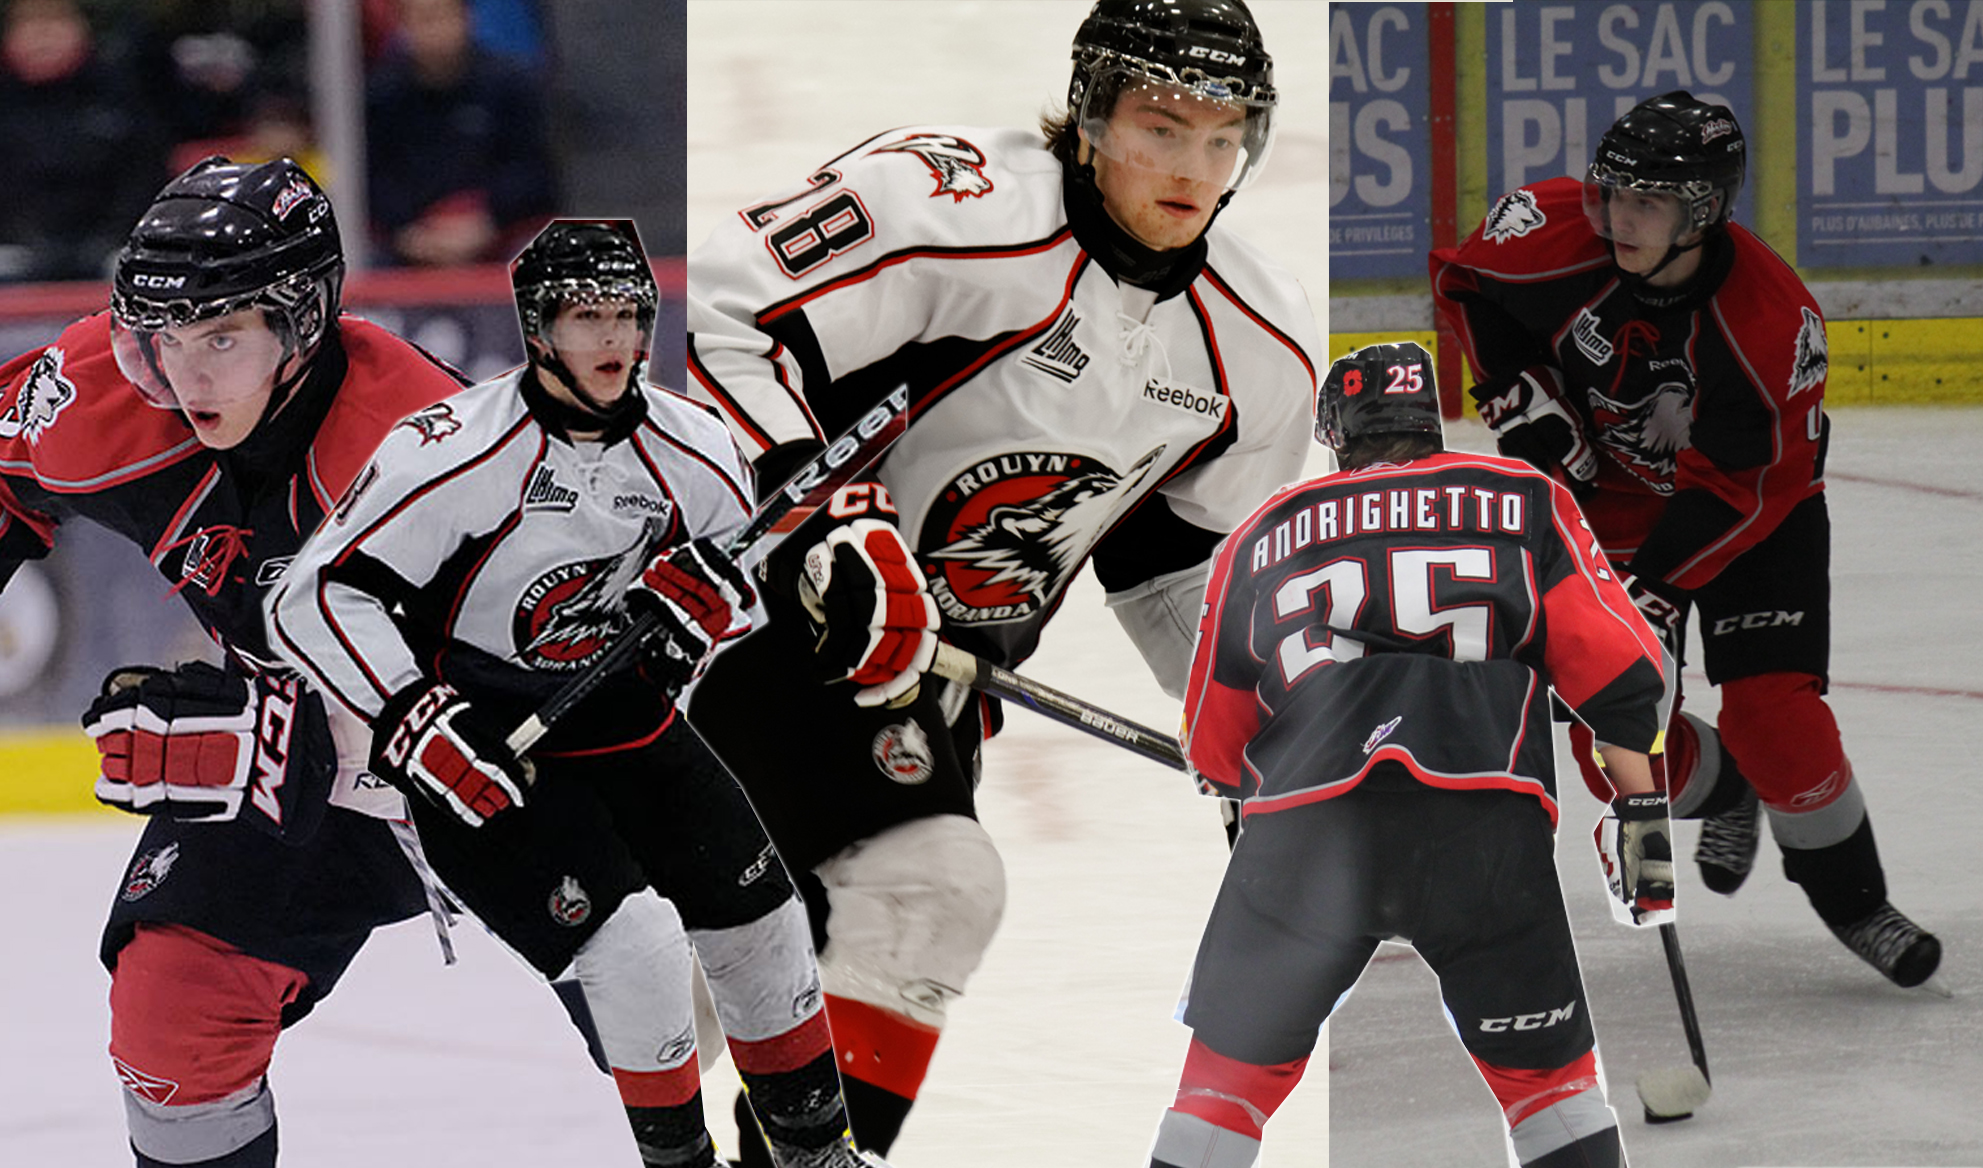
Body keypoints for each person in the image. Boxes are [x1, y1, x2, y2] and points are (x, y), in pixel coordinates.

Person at [685, 0, 1318, 1157]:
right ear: (1087, 118)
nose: (1193, 167)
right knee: (671, 980)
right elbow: (733, 319)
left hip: (922, 684)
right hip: (748, 623)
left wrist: (1258, 743)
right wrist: (832, 518)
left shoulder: (1255, 349)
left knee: (937, 886)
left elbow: (1180, 570)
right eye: (1160, 126)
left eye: (1223, 136)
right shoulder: (955, 209)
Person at [266, 219, 887, 1168]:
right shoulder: (454, 449)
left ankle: (816, 1152)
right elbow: (310, 595)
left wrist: (706, 620)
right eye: (586, 317)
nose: (613, 341)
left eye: (629, 317)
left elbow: (738, 614)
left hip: (624, 725)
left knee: (763, 920)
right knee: (636, 947)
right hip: (485, 753)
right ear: (537, 328)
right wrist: (408, 719)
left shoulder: (698, 448)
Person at [0, 157, 468, 1167]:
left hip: (501, 766)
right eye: (159, 338)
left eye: (219, 337)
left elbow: (539, 686)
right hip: (308, 770)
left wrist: (284, 737)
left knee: (661, 998)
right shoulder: (105, 396)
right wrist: (277, 740)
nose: (182, 376)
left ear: (301, 324)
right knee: (174, 1013)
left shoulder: (420, 451)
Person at [1430, 91, 1942, 988]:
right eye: (1610, 195)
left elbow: (1740, 489)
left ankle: (1855, 901)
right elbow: (1466, 286)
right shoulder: (1553, 233)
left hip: (1752, 522)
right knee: (1616, 751)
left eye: (1646, 204)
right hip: (1609, 513)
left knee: (1776, 723)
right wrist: (1516, 397)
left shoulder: (1768, 322)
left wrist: (1655, 589)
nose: (1617, 219)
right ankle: (1728, 789)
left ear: (1702, 212)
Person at [1149, 341, 1669, 1168]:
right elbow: (1622, 680)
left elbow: (1216, 746)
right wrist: (1642, 828)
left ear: (1336, 433)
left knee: (1217, 1096)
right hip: (1481, 825)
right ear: (1428, 422)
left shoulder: (1260, 533)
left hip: (1301, 835)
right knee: (1552, 1094)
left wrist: (1242, 785)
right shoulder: (1522, 498)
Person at [365, 0, 557, 267]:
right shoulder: (380, 96)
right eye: (425, 19)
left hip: (501, 230)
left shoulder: (512, 85)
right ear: (403, 26)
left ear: (467, 19)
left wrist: (489, 221)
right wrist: (409, 232)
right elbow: (375, 179)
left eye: (445, 17)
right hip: (411, 242)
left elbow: (534, 170)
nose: (437, 31)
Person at [0, 0, 167, 282]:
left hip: (111, 247)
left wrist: (113, 237)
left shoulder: (121, 94)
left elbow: (144, 175)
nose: (43, 36)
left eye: (55, 22)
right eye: (29, 24)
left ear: (82, 31)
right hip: (13, 248)